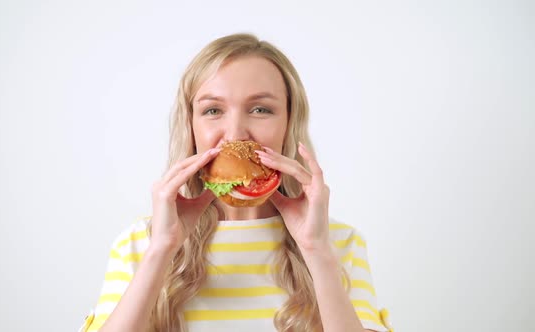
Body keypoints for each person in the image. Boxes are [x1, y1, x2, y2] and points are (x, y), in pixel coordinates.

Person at [79, 33, 393, 332]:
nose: (235, 134)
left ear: (288, 123)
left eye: (261, 109)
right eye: (213, 110)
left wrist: (316, 251)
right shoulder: (138, 245)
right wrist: (162, 249)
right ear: (191, 127)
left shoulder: (339, 244)